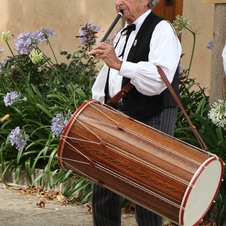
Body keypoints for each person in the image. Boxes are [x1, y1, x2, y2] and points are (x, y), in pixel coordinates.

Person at [88, 0, 182, 225]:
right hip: (118, 113)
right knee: (103, 181)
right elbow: (108, 73)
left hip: (154, 113)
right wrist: (96, 102)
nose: (118, 2)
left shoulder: (162, 29)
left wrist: (120, 63)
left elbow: (159, 78)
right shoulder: (122, 33)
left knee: (147, 190)